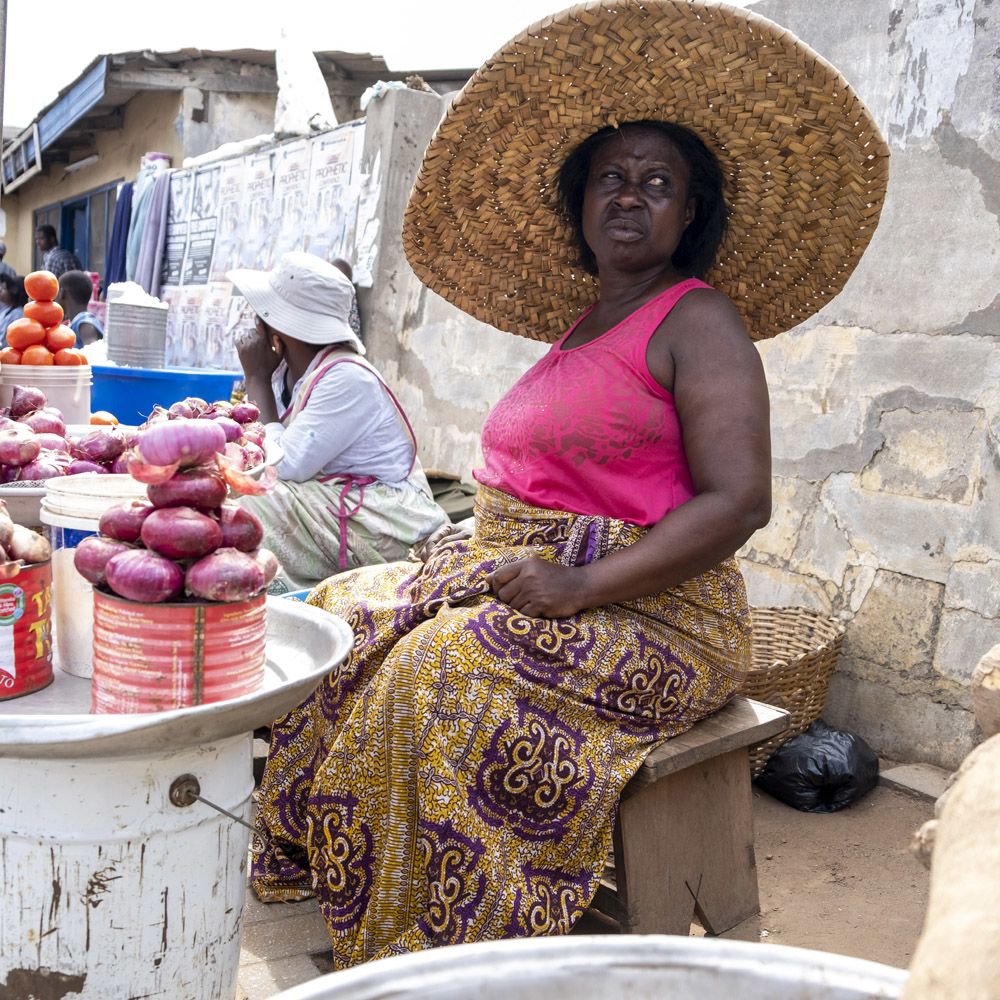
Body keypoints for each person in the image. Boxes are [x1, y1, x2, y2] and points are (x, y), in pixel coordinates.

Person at [250, 0, 888, 968]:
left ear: (690, 213)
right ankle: (355, 881)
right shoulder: (583, 325)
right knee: (336, 626)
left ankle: (433, 944)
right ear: (578, 202)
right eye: (609, 179)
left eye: (657, 182)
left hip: (659, 616)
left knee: (435, 678)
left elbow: (737, 502)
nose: (628, 196)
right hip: (533, 580)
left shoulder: (696, 320)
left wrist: (579, 585)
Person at [229, 250, 448, 592]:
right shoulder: (293, 372)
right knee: (235, 486)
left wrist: (255, 377)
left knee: (254, 500)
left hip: (390, 522)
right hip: (349, 505)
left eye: (262, 317)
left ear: (276, 329)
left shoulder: (347, 378)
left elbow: (283, 467)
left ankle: (273, 591)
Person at [56, 270, 104, 347]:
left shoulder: (85, 323)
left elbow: (92, 353)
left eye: (56, 293)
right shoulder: (75, 322)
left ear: (62, 293)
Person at [0, 273, 28, 347]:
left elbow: (5, 341)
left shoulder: (18, 314)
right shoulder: (8, 310)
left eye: (4, 289)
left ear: (14, 293)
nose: (1, 291)